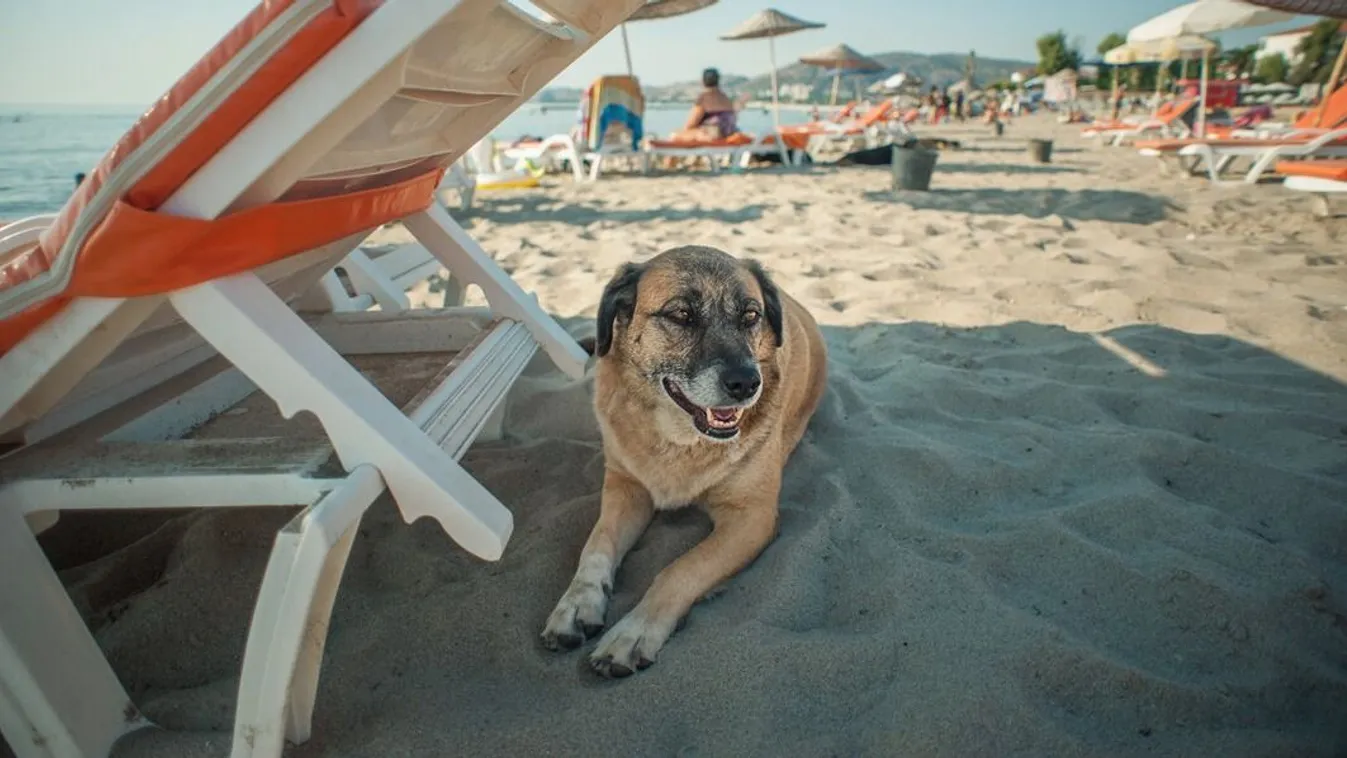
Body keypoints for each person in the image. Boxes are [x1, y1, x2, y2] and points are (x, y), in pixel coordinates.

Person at [675, 67, 739, 140]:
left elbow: (690, 125)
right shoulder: (725, 98)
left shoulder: (704, 98)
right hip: (728, 133)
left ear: (702, 81)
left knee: (675, 134)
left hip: (712, 135)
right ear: (718, 81)